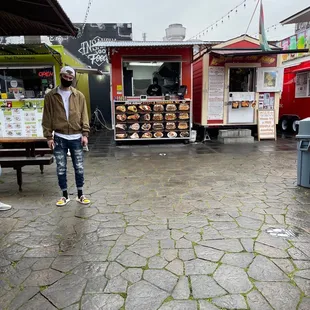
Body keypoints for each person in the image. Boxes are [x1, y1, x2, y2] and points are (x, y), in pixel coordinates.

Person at [42, 66, 90, 207]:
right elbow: (47, 117)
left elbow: (84, 115)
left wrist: (85, 134)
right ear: (61, 75)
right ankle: (64, 195)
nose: (68, 80)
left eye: (71, 78)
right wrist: (48, 137)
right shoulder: (50, 96)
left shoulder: (79, 96)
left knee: (79, 167)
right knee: (61, 167)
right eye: (66, 77)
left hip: (76, 136)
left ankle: (80, 194)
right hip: (59, 136)